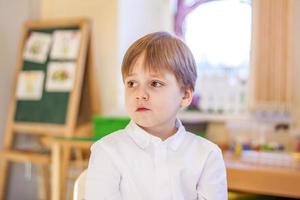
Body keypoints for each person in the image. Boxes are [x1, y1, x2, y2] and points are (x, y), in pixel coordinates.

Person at [85, 32, 227, 200]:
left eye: (155, 83)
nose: (140, 94)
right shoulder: (107, 151)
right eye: (132, 83)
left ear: (185, 95)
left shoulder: (207, 155)